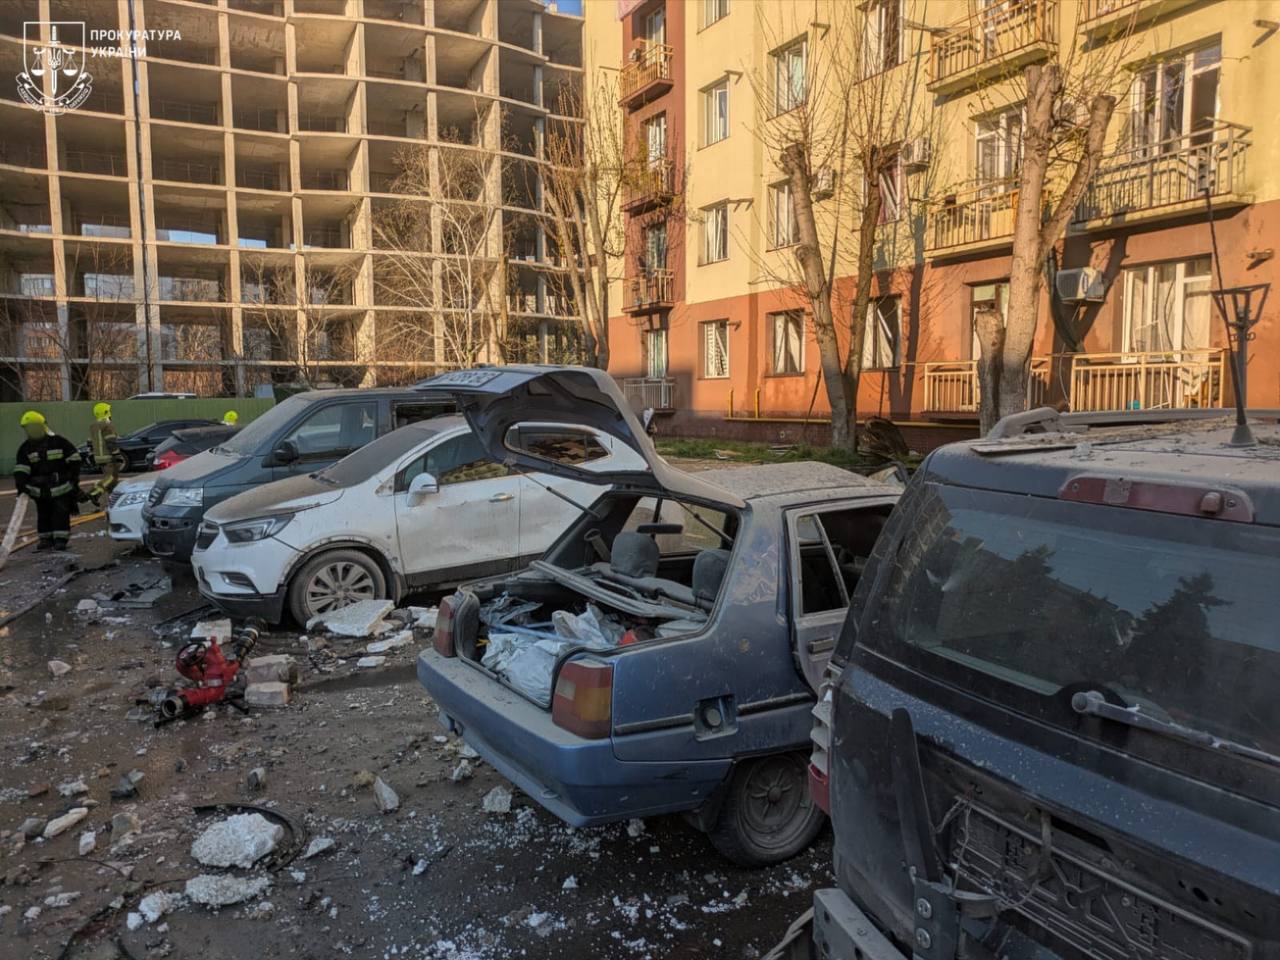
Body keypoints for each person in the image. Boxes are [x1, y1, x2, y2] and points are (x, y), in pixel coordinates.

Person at [14, 411, 81, 551]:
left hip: (61, 487)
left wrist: (72, 479)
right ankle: (45, 539)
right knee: (43, 514)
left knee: (61, 514)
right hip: (40, 490)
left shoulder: (59, 442)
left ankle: (60, 540)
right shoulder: (25, 448)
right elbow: (21, 469)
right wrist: (21, 486)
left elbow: (75, 459)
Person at [86, 401, 124, 507]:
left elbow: (90, 442)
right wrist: (117, 455)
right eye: (109, 411)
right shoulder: (107, 425)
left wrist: (92, 454)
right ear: (106, 412)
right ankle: (94, 493)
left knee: (112, 482)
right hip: (108, 457)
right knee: (111, 478)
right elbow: (110, 442)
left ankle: (114, 502)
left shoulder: (94, 426)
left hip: (99, 457)